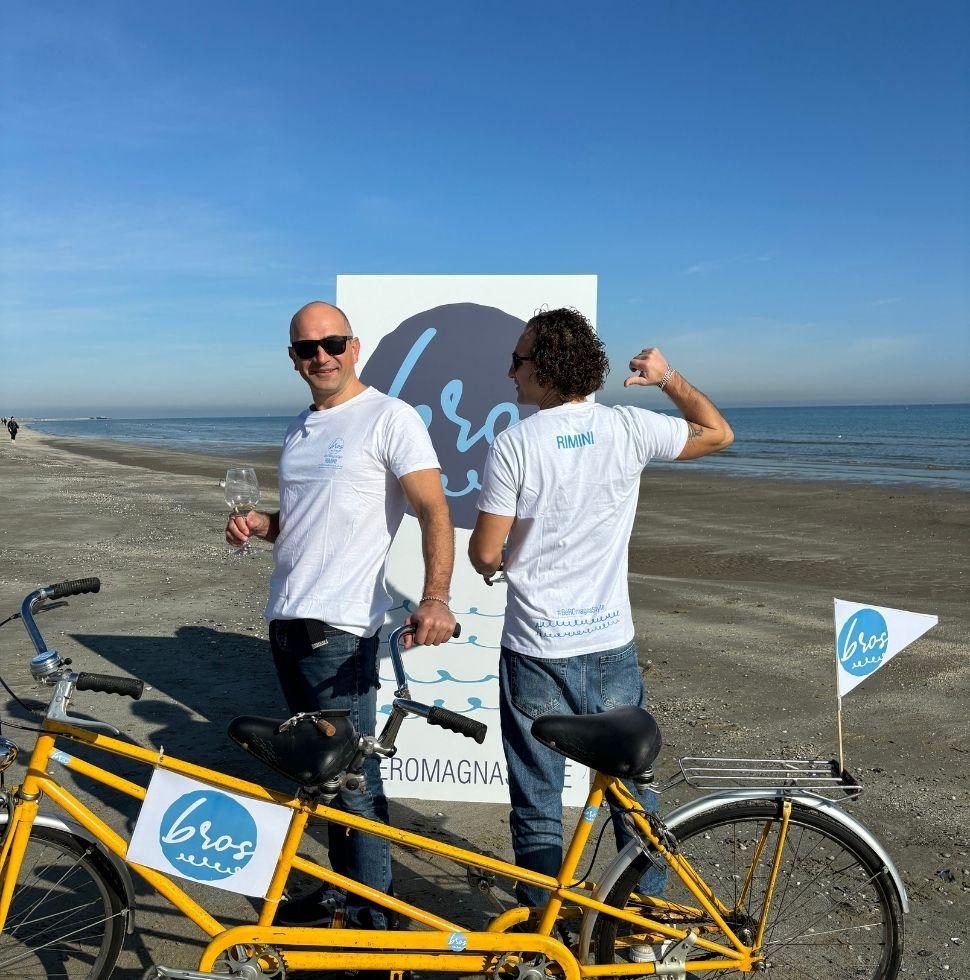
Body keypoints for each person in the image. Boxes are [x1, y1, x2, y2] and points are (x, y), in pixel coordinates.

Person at [469, 307, 733, 908]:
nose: (510, 371)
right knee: (631, 794)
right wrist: (668, 378)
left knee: (538, 801)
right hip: (610, 643)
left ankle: (543, 934)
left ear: (546, 369)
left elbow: (486, 551)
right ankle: (643, 929)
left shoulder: (514, 444)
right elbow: (717, 433)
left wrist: (500, 565)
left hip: (537, 648)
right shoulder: (627, 428)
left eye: (518, 360)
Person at [226, 301, 457, 927]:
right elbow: (303, 525)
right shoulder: (301, 427)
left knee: (355, 782)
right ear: (294, 359)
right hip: (286, 621)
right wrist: (261, 524)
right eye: (307, 348)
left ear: (354, 347)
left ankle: (375, 917)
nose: (321, 357)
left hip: (342, 630)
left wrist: (435, 597)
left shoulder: (389, 417)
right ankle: (342, 894)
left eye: (332, 343)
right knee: (318, 776)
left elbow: (434, 510)